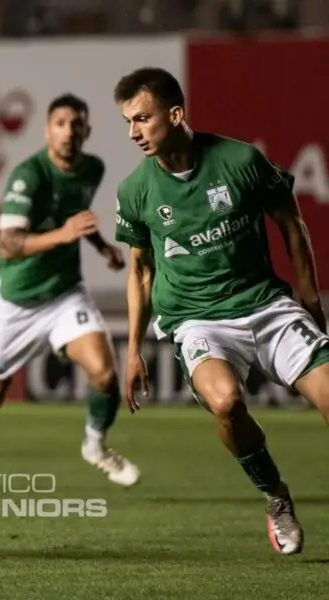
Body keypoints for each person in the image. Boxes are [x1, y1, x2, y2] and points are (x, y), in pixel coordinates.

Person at [113, 67, 329, 556]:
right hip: (198, 320)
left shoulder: (239, 160)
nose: (133, 133)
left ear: (175, 113)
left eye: (142, 119)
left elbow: (291, 221)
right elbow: (140, 272)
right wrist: (132, 351)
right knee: (227, 402)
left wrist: (309, 296)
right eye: (127, 122)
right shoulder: (135, 191)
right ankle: (275, 496)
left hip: (267, 306)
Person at [0, 93, 140, 501]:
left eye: (77, 124)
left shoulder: (93, 168)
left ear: (87, 132)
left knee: (106, 374)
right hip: (16, 301)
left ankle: (94, 444)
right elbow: (8, 244)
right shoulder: (29, 176)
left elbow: (74, 217)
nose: (69, 131)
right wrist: (65, 235)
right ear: (47, 130)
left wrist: (101, 246)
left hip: (63, 295)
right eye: (60, 123)